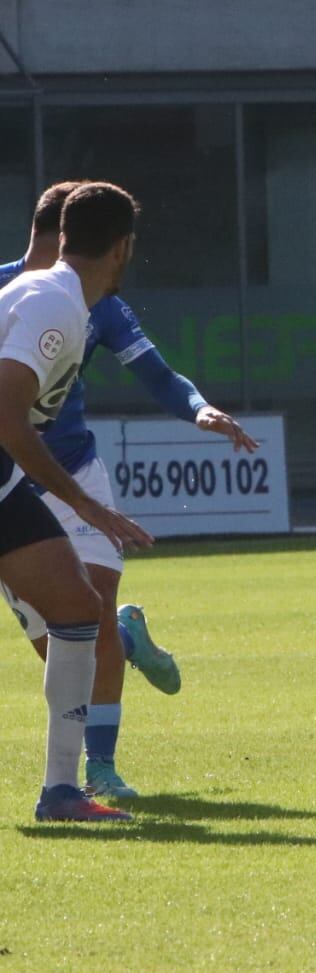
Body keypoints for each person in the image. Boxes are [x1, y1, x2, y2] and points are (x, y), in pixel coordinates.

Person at [0, 181, 258, 799]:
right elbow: (7, 414)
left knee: (80, 613)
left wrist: (197, 409)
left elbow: (158, 374)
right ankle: (68, 781)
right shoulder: (42, 297)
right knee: (64, 631)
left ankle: (90, 777)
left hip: (56, 469)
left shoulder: (91, 306)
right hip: (21, 469)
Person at [0, 181, 155, 822]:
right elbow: (8, 416)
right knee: (74, 607)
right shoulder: (53, 304)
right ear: (123, 248)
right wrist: (86, 506)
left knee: (75, 605)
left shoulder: (56, 300)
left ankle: (62, 793)